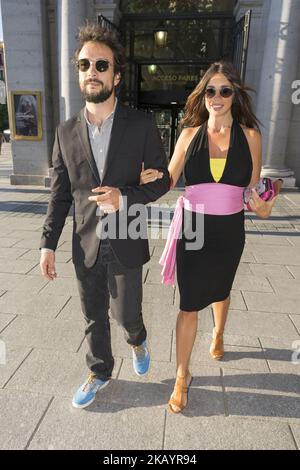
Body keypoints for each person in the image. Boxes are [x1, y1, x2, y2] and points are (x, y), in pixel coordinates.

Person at [40, 24, 170, 409]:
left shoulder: (141, 125)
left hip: (127, 236)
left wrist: (124, 195)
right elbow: (60, 194)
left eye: (101, 64)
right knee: (94, 315)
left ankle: (138, 338)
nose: (92, 71)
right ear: (79, 73)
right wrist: (47, 243)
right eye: (84, 64)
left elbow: (162, 182)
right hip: (85, 243)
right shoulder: (65, 132)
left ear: (116, 74)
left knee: (126, 313)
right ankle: (99, 371)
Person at [140, 60, 282, 414]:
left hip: (230, 229)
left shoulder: (250, 135)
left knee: (221, 289)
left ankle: (218, 333)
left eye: (224, 91)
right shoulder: (189, 134)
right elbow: (169, 180)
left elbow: (252, 189)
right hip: (193, 228)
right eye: (210, 90)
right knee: (189, 304)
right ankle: (181, 375)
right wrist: (142, 180)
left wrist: (264, 203)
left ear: (234, 96)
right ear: (202, 95)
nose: (216, 97)